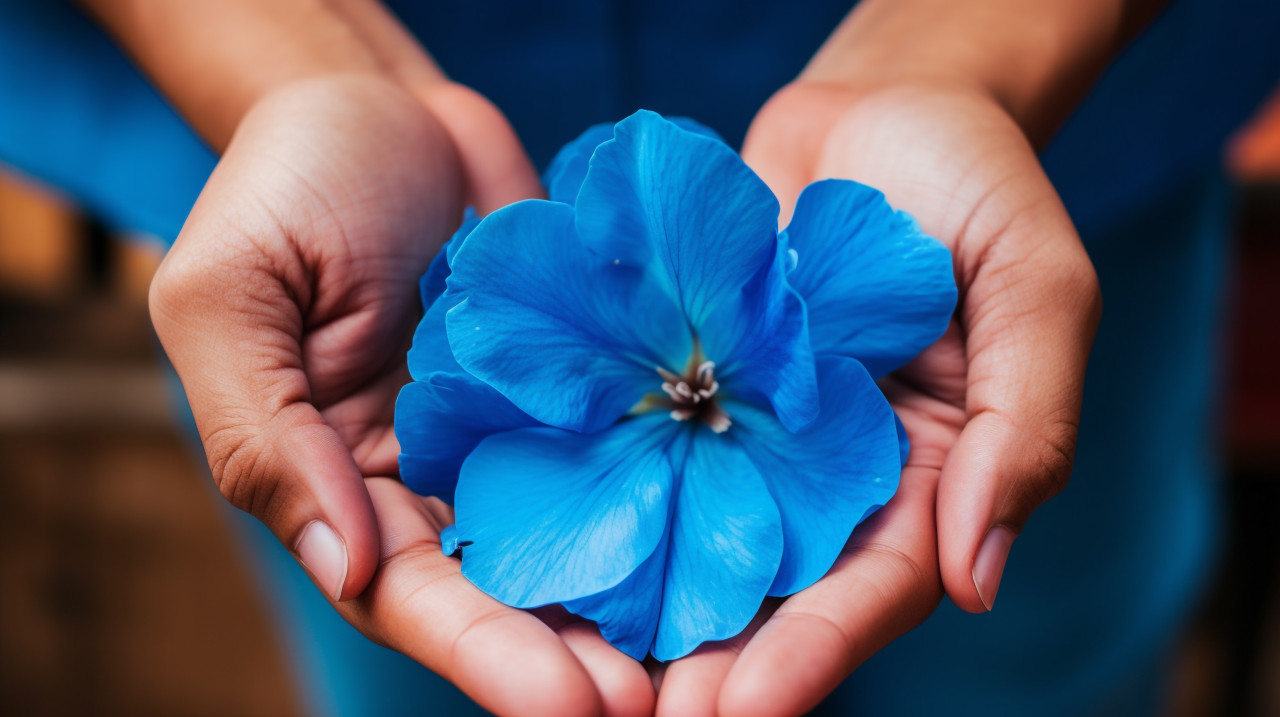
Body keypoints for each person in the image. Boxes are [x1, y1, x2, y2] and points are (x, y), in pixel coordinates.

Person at [1, 0, 1276, 714]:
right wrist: (286, 65)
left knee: (1025, 676)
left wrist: (964, 57)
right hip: (327, 225)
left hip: (1035, 151)